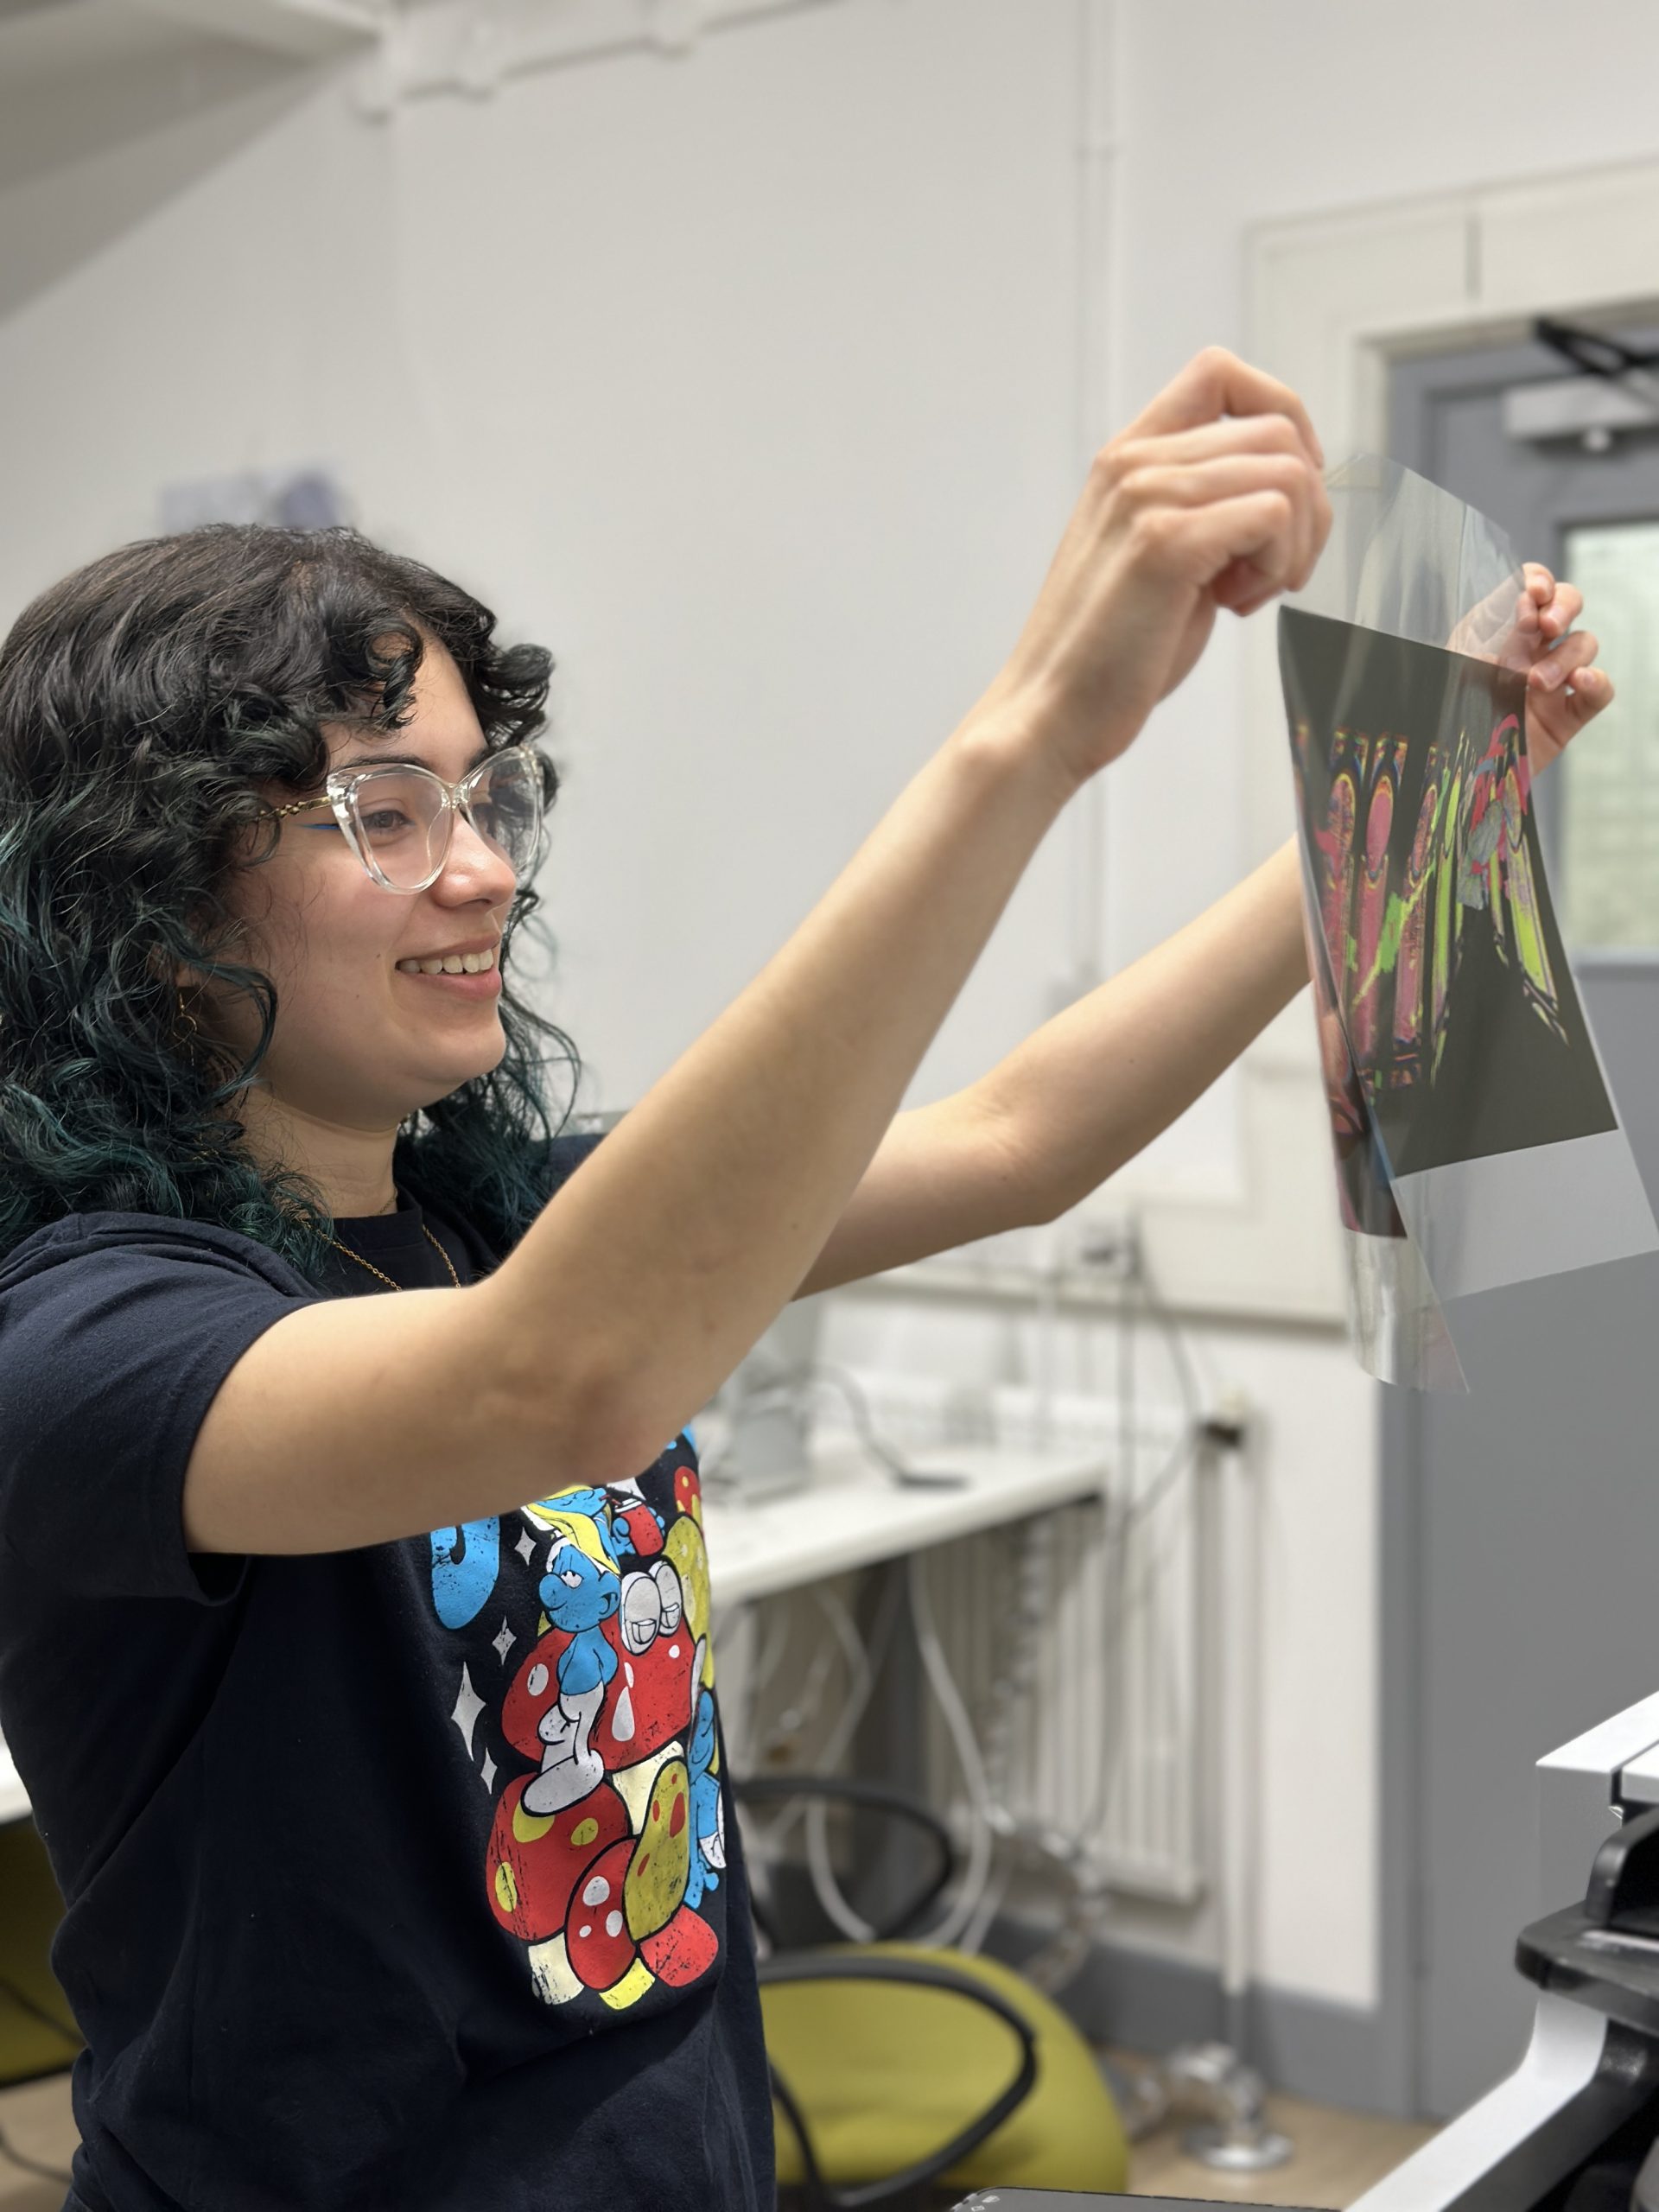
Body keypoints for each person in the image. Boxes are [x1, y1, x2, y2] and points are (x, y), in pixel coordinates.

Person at [0, 349, 1607, 2212]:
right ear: (142, 893)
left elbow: (1019, 1137)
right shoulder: (80, 1332)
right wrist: (1030, 731)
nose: (485, 874)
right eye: (384, 810)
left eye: (483, 795)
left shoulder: (504, 1213)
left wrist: (1404, 808)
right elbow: (557, 1379)